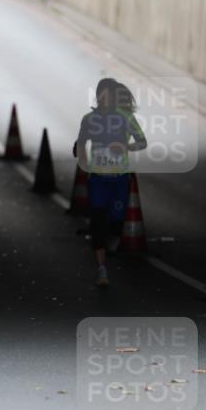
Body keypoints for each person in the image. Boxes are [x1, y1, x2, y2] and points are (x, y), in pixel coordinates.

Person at [75, 78, 147, 287]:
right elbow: (81, 142)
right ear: (97, 95)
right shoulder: (89, 119)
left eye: (109, 94)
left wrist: (126, 147)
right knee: (97, 224)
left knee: (116, 224)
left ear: (115, 97)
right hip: (98, 180)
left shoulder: (126, 117)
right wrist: (83, 161)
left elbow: (142, 142)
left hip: (119, 180)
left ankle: (110, 241)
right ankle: (102, 269)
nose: (105, 98)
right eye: (102, 94)